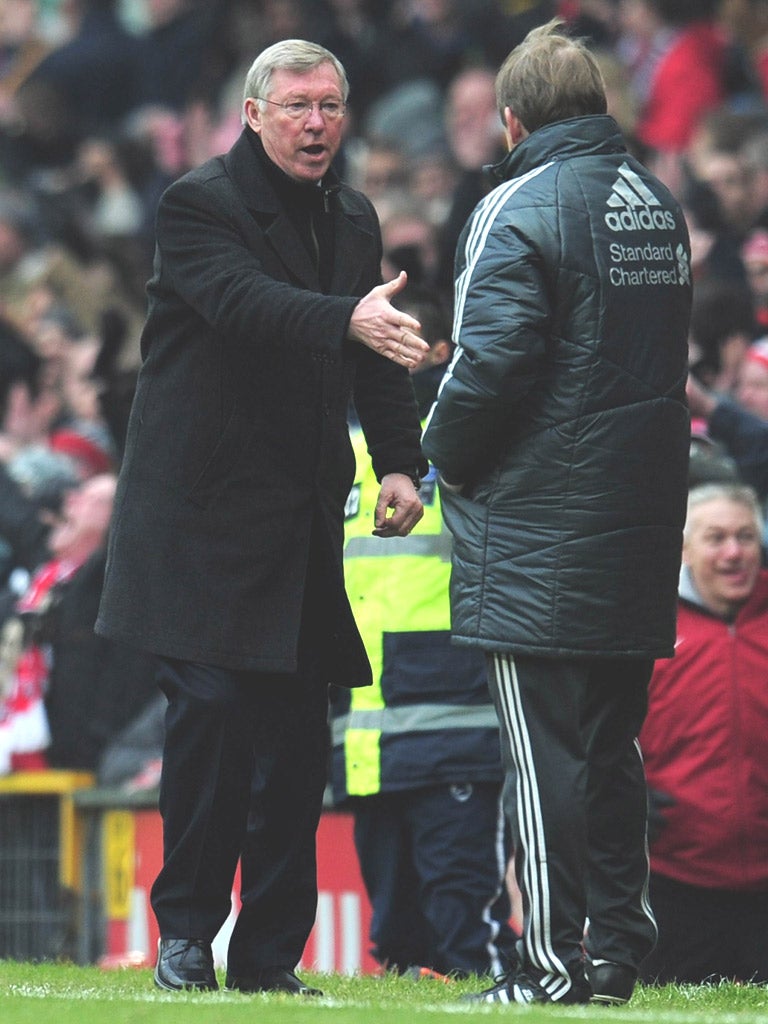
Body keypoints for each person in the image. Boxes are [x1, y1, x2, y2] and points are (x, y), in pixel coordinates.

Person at [95, 39, 429, 997]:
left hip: (297, 516)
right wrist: (348, 320)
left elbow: (376, 353)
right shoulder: (198, 203)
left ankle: (272, 958)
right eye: (296, 107)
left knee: (292, 743)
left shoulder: (355, 217)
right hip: (198, 519)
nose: (316, 123)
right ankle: (186, 936)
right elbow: (245, 304)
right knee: (212, 721)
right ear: (252, 114)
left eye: (330, 106)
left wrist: (401, 463)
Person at [422, 19, 692, 1006]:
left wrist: (437, 450)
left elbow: (489, 366)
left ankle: (544, 967)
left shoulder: (515, 205)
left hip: (537, 528)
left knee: (545, 761)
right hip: (639, 519)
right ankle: (617, 953)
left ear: (511, 120)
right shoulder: (654, 205)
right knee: (613, 750)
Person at [330, 286, 518, 979]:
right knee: (398, 943)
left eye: (396, 337)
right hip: (366, 738)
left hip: (458, 729)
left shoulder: (473, 442)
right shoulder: (340, 447)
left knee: (466, 935)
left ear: (439, 353)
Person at [639, 483, 768, 984]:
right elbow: (594, 739)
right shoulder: (644, 626)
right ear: (684, 549)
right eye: (716, 538)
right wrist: (623, 798)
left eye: (745, 537)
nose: (733, 552)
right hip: (672, 884)